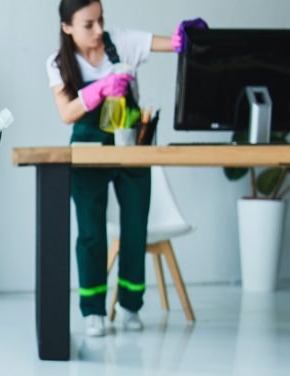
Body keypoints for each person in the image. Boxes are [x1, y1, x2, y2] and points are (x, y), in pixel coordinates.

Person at [46, 0, 205, 336]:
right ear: (67, 27)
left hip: (131, 146)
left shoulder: (123, 43)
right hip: (88, 150)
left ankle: (131, 306)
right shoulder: (59, 63)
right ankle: (93, 311)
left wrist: (185, 38)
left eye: (100, 20)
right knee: (90, 233)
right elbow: (66, 113)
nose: (99, 30)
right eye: (88, 24)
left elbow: (171, 45)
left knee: (135, 227)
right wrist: (99, 90)